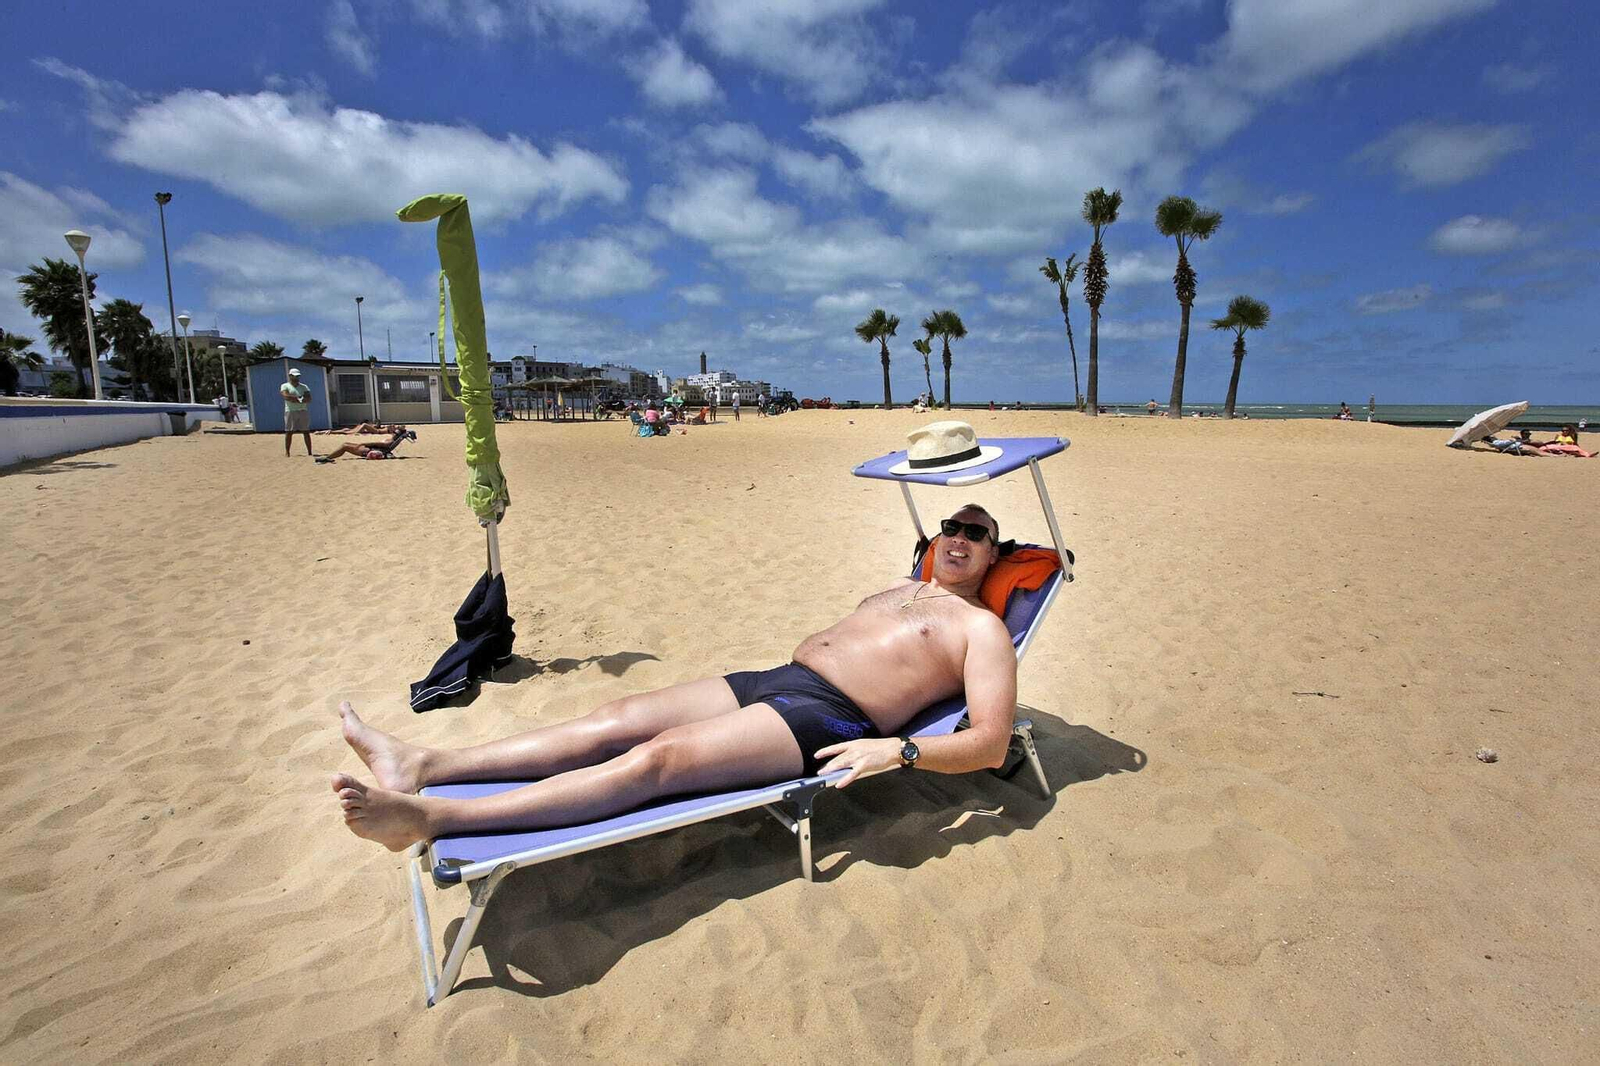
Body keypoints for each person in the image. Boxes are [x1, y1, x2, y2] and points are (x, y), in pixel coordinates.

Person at [332, 505, 1021, 850]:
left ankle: (433, 816)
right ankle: (425, 761)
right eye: (948, 527)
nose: (957, 538)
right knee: (617, 717)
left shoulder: (981, 629)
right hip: (776, 679)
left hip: (831, 719)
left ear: (995, 554)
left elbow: (990, 742)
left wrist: (894, 750)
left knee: (655, 760)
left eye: (976, 532)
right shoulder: (902, 586)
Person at [316, 428, 417, 463]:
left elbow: (376, 443)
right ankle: (328, 457)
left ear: (396, 434)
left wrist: (362, 443)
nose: (393, 432)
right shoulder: (392, 440)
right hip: (370, 449)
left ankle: (327, 458)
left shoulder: (388, 442)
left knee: (345, 446)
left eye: (395, 432)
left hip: (368, 450)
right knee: (345, 445)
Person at [281, 368, 313, 456]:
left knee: (306, 431)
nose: (297, 378)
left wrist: (295, 399)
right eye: (295, 376)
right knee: (289, 432)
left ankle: (309, 452)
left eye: (298, 376)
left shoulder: (304, 386)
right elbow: (286, 396)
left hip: (302, 410)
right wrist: (300, 398)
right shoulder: (285, 386)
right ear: (290, 376)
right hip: (290, 411)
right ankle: (287, 452)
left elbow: (309, 398)